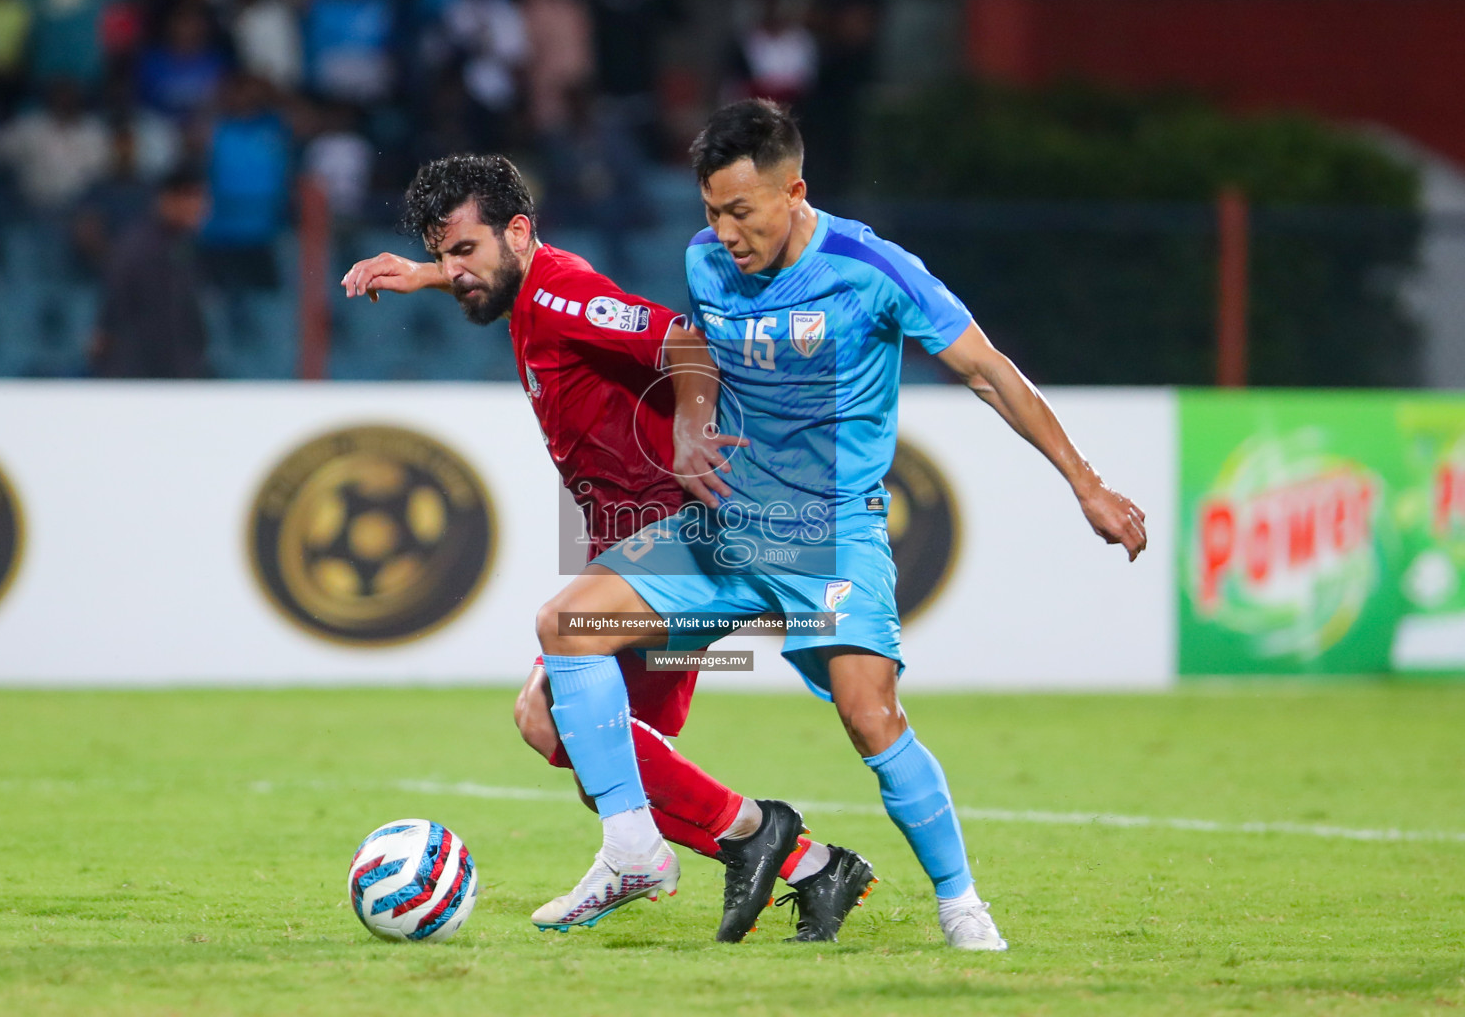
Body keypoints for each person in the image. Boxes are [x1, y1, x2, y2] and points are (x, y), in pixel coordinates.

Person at [532, 99, 1149, 951]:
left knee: (871, 718)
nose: (724, 232)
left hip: (829, 537)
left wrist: (1087, 484)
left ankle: (962, 905)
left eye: (741, 211)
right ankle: (635, 850)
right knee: (567, 627)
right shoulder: (706, 260)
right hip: (723, 533)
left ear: (795, 192)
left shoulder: (871, 268)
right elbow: (696, 352)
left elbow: (988, 370)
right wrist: (690, 419)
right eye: (711, 210)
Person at [339, 154, 876, 943]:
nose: (455, 272)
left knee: (560, 719)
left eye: (464, 253)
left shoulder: (559, 294)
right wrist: (421, 273)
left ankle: (677, 850)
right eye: (444, 254)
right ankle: (804, 862)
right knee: (591, 750)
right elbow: (485, 270)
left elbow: (684, 343)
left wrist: (692, 431)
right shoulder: (529, 287)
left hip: (684, 542)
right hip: (639, 543)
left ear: (518, 233)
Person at [90, 164, 210, 378]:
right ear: (167, 199)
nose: (200, 207)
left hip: (174, 376)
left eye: (202, 198)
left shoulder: (183, 248)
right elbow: (114, 314)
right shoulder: (138, 249)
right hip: (140, 379)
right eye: (191, 197)